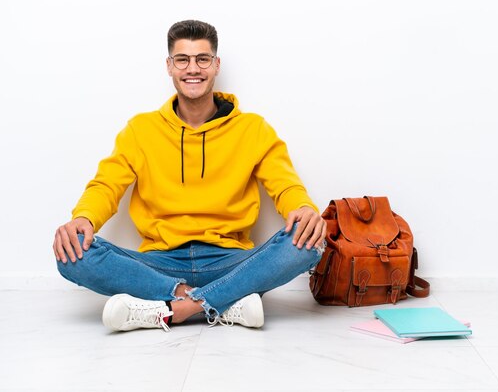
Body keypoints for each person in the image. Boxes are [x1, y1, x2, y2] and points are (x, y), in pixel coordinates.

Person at [54, 20, 326, 332]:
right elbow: (106, 185)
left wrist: (303, 209)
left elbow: (285, 184)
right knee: (71, 251)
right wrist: (84, 218)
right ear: (169, 66)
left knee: (310, 242)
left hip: (231, 261)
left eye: (202, 59)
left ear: (216, 65)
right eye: (182, 59)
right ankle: (218, 302)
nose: (192, 68)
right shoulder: (140, 130)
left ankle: (174, 309)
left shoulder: (253, 129)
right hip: (159, 263)